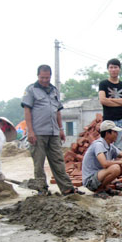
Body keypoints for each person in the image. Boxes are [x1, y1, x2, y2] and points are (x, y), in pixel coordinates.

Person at [21, 64, 82, 196]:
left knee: (58, 161)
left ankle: (66, 188)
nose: (44, 80)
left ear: (50, 77)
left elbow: (58, 112)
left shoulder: (54, 90)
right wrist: (30, 131)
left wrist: (61, 129)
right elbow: (27, 111)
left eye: (47, 78)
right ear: (38, 76)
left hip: (53, 132)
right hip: (38, 133)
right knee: (39, 163)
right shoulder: (31, 90)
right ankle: (42, 189)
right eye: (42, 77)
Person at [98, 58, 122, 152]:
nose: (113, 69)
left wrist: (111, 100)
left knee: (119, 148)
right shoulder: (103, 84)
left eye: (115, 67)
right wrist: (121, 101)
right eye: (111, 67)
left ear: (119, 69)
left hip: (121, 120)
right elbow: (103, 100)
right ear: (108, 69)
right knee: (105, 147)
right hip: (108, 121)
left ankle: (118, 165)